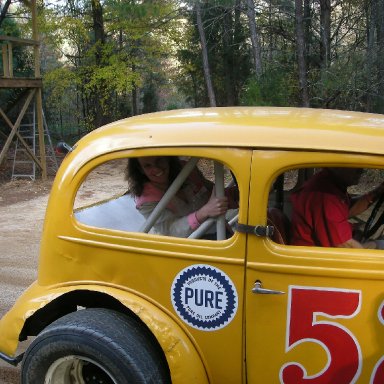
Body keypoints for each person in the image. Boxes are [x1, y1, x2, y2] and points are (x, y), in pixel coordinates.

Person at [126, 156, 238, 238]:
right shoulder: (146, 201)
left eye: (159, 160)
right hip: (189, 248)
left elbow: (211, 195)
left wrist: (237, 195)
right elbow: (171, 231)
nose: (156, 168)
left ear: (167, 158)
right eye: (147, 166)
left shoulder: (186, 170)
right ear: (140, 170)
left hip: (221, 230)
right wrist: (204, 212)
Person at [290, 167, 384, 249]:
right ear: (336, 166)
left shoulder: (329, 185)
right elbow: (345, 247)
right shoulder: (325, 195)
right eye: (354, 165)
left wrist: (378, 191)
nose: (360, 169)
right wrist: (376, 246)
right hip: (317, 262)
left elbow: (348, 209)